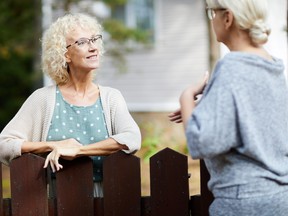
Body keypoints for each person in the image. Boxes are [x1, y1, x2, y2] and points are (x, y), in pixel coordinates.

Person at [0, 13, 141, 197]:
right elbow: (4, 144)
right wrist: (53, 145)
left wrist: (78, 150)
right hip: (56, 198)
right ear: (65, 54)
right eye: (82, 42)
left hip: (108, 198)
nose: (93, 47)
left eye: (94, 40)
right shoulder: (43, 99)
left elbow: (131, 138)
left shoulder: (111, 97)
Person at [169, 0, 288, 215]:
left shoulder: (231, 66)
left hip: (243, 202)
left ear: (228, 17)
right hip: (279, 199)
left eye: (211, 13)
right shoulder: (272, 65)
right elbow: (256, 114)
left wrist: (186, 98)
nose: (211, 19)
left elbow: (202, 143)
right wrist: (208, 103)